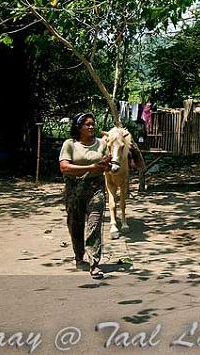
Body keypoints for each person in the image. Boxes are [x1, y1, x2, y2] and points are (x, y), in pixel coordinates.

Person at [59, 113, 111, 279]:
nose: (91, 127)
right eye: (87, 124)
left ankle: (94, 263)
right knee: (75, 225)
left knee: (94, 225)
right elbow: (65, 167)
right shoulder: (70, 144)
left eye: (92, 124)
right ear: (78, 127)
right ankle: (79, 255)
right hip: (74, 189)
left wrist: (106, 166)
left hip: (96, 188)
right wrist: (92, 166)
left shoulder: (102, 144)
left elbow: (105, 167)